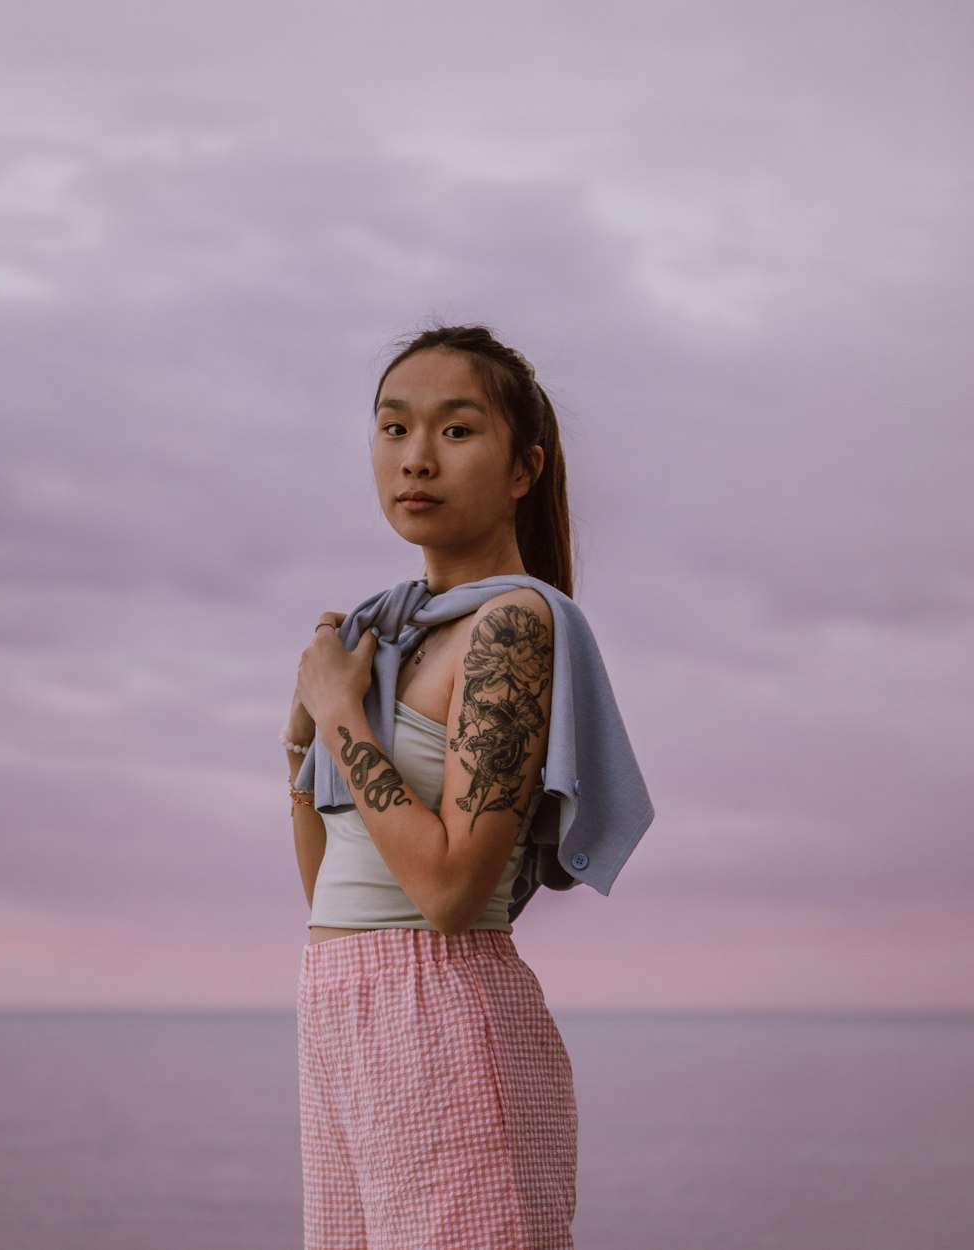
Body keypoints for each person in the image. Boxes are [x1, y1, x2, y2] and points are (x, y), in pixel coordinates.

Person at [280, 324, 654, 1250]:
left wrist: (341, 718)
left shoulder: (512, 626)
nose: (416, 458)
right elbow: (327, 894)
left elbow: (447, 896)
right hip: (339, 1002)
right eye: (393, 428)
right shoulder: (385, 633)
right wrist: (300, 751)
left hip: (444, 1011)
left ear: (523, 468)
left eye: (455, 431)